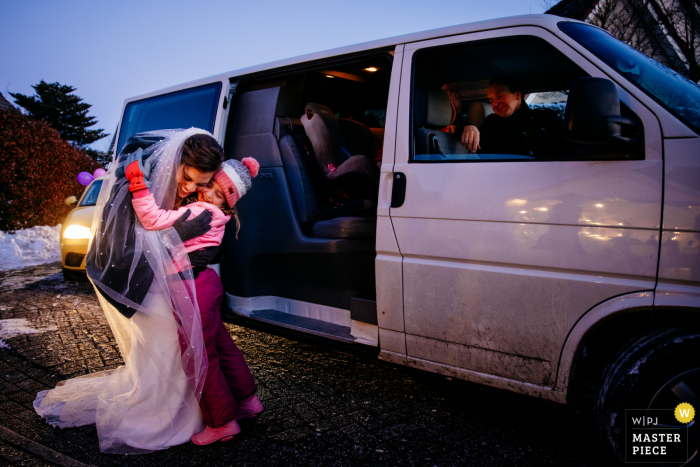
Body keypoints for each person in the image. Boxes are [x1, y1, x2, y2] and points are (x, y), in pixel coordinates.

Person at [33, 129, 233, 454]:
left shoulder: (179, 187)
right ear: (176, 162)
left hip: (165, 281)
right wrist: (177, 233)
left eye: (200, 185)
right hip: (142, 281)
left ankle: (185, 411)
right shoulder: (133, 186)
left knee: (175, 345)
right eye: (190, 179)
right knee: (166, 342)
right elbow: (126, 244)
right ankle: (157, 418)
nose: (192, 190)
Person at [125, 153, 264, 445]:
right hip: (206, 282)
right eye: (210, 187)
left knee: (200, 358)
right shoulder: (219, 215)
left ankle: (222, 422)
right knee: (223, 347)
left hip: (192, 289)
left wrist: (138, 184)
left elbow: (152, 220)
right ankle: (248, 402)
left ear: (229, 201)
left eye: (219, 194)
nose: (209, 196)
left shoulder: (201, 211)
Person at [460, 78, 563, 159]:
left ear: (517, 94)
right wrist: (469, 125)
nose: (495, 103)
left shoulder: (547, 118)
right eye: (491, 101)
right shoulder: (493, 124)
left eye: (499, 96)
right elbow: (466, 138)